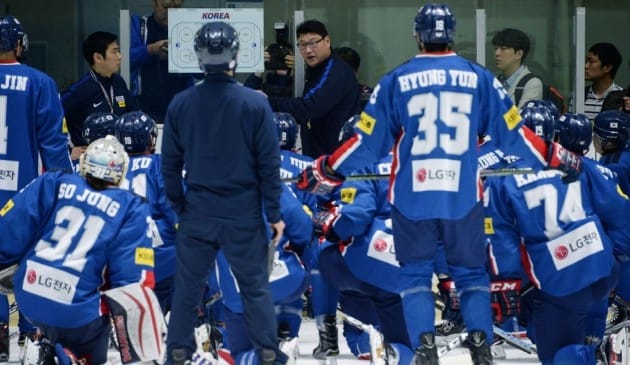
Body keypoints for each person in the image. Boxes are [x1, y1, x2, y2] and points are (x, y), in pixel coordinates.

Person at [295, 4, 583, 365]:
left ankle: (424, 349)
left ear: (417, 35)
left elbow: (366, 143)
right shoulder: (480, 77)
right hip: (462, 195)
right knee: (471, 272)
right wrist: (558, 156)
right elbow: (515, 137)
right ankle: (481, 344)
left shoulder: (395, 81)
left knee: (415, 274)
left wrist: (325, 169)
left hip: (412, 196)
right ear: (450, 34)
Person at [160, 21, 287, 365]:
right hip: (243, 211)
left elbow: (169, 167)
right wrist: (273, 215)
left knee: (187, 289)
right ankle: (268, 354)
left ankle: (177, 353)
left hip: (197, 210)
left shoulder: (180, 104)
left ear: (198, 56)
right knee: (254, 287)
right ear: (236, 55)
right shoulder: (255, 104)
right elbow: (268, 167)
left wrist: (180, 208)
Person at [484, 107, 626, 364]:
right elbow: (619, 210)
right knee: (564, 324)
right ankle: (594, 347)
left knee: (557, 349)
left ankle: (583, 351)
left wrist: (503, 286)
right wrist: (617, 255)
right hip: (603, 267)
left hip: (563, 278)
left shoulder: (502, 178)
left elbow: (502, 245)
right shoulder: (577, 163)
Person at [0, 135, 156, 364]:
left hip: (29, 295)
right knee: (90, 344)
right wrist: (131, 350)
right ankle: (68, 356)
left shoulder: (53, 181)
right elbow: (132, 283)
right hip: (79, 314)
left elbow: (10, 226)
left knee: (53, 320)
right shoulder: (131, 206)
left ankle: (47, 346)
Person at [0, 15, 73, 360]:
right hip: (21, 191)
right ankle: (31, 332)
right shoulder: (39, 82)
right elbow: (54, 144)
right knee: (27, 258)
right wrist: (66, 186)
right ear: (19, 44)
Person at [266, 19, 361, 158]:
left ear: (327, 41)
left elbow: (309, 106)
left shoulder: (336, 72)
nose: (308, 50)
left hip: (338, 158)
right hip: (320, 155)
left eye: (313, 43)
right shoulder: (315, 69)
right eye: (302, 45)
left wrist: (267, 101)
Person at [114, 111, 178, 312]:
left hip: (122, 257)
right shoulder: (160, 164)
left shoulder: (111, 166)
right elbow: (173, 207)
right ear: (151, 138)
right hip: (162, 256)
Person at [62, 31, 138, 149]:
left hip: (119, 155)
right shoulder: (80, 89)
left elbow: (133, 115)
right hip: (91, 160)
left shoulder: (119, 82)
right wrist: (68, 149)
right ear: (98, 57)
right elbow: (54, 117)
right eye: (114, 51)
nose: (119, 56)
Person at [130, 0, 195, 123]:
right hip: (145, 108)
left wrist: (183, 56)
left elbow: (202, 72)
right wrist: (151, 50)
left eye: (177, 7)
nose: (171, 12)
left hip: (182, 108)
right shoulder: (140, 25)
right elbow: (126, 60)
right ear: (154, 4)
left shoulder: (189, 29)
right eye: (165, 6)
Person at [492, 28, 543, 109]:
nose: (497, 53)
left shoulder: (532, 84)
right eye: (496, 49)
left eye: (503, 48)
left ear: (519, 54)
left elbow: (521, 119)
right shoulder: (494, 82)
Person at [583, 42, 623, 121]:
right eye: (586, 61)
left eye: (591, 62)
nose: (586, 66)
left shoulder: (622, 99)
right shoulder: (580, 96)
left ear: (607, 67)